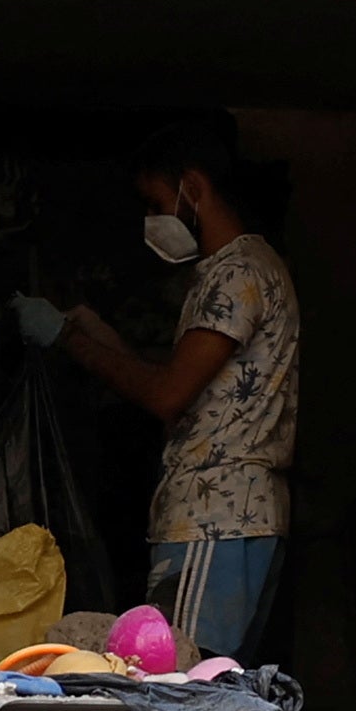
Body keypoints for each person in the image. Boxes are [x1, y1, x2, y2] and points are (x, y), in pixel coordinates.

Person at [32, 153, 300, 663]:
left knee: (179, 679)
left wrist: (68, 339)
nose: (153, 219)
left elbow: (167, 395)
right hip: (235, 514)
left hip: (214, 515)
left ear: (192, 186)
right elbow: (191, 393)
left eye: (158, 202)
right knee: (214, 684)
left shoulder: (236, 274)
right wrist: (95, 332)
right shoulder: (246, 269)